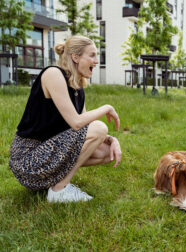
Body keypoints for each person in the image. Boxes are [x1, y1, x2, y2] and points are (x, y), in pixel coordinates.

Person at [9, 35, 122, 203]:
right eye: (92, 55)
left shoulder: (78, 88)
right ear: (75, 57)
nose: (96, 61)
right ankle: (59, 190)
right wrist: (106, 107)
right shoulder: (53, 74)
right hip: (27, 160)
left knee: (106, 152)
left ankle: (53, 183)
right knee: (100, 128)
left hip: (46, 156)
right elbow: (76, 123)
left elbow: (85, 126)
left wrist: (112, 140)